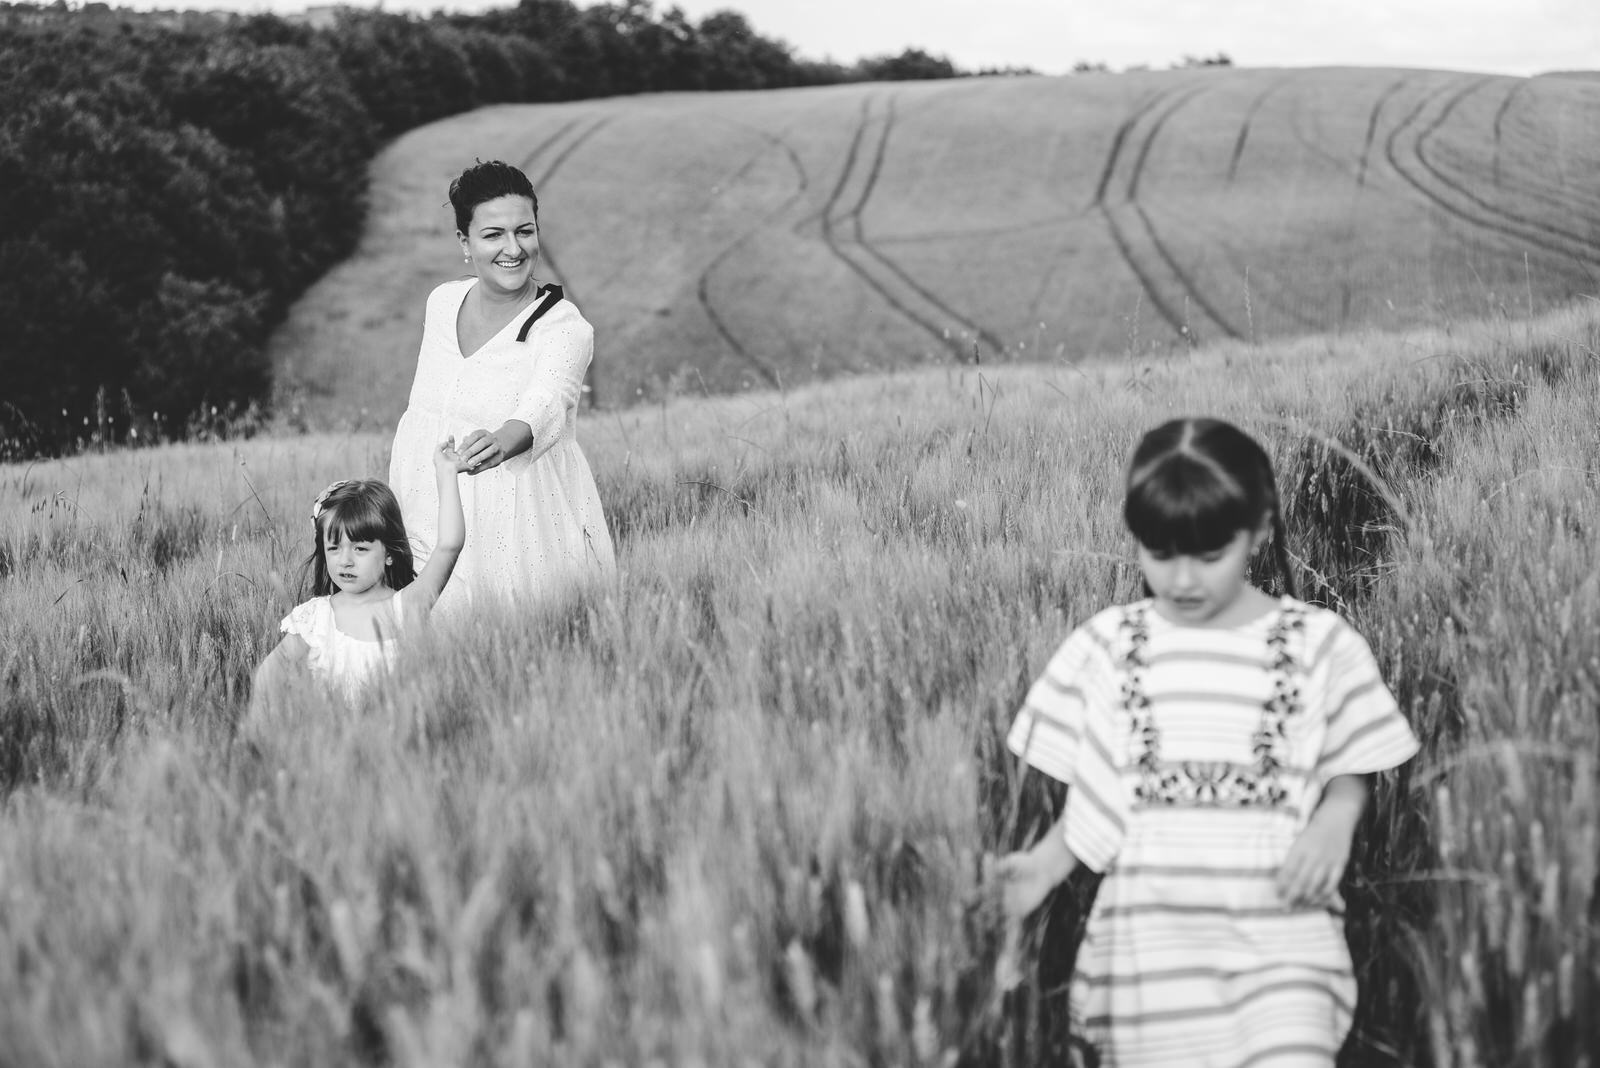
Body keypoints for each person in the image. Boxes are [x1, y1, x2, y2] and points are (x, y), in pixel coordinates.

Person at [994, 417, 1420, 1066]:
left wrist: (1335, 821)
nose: (1184, 580)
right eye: (1160, 555)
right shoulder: (1109, 647)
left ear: (1260, 532)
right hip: (1150, 949)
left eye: (1209, 555)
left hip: (1281, 934)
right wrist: (1043, 870)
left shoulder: (1320, 645)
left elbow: (1350, 765)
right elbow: (1101, 799)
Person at [388, 159, 616, 619]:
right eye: (493, 234)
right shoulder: (442, 301)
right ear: (465, 243)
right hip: (425, 503)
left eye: (524, 231)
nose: (513, 248)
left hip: (520, 522)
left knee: (520, 641)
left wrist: (501, 442)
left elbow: (547, 403)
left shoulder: (563, 326)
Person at [251, 440, 469, 709]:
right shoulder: (315, 618)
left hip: (393, 741)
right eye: (334, 548)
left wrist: (446, 475)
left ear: (389, 553)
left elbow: (449, 546)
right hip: (331, 743)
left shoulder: (407, 607)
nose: (345, 560)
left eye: (360, 548)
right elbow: (267, 677)